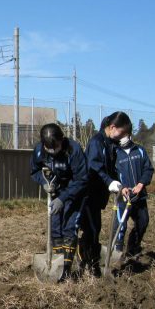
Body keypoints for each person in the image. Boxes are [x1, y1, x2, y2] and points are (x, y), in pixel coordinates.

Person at [30, 123, 88, 280]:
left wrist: (63, 198)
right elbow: (35, 170)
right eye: (49, 149)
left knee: (69, 229)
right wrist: (44, 182)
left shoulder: (73, 150)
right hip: (55, 191)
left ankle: (67, 269)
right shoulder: (39, 150)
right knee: (55, 228)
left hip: (75, 193)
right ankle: (56, 265)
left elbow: (82, 179)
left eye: (55, 148)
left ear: (62, 140)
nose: (53, 152)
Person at [80, 111, 133, 275]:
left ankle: (91, 261)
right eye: (122, 133)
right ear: (112, 127)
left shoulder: (110, 144)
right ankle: (87, 261)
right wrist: (109, 181)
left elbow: (111, 169)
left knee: (95, 229)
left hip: (97, 195)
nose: (122, 137)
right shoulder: (97, 142)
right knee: (92, 230)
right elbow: (95, 166)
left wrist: (120, 185)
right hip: (87, 193)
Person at [113, 134, 154, 256]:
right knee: (120, 225)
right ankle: (117, 253)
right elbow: (112, 174)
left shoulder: (139, 150)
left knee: (143, 221)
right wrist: (121, 187)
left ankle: (133, 248)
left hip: (139, 196)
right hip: (123, 197)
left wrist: (141, 184)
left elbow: (148, 169)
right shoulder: (114, 153)